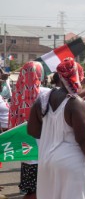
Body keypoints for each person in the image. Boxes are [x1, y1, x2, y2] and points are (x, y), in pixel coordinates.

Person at [27, 58, 85, 199]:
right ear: (79, 76)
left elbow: (33, 131)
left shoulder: (42, 100)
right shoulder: (76, 104)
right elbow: (84, 140)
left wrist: (52, 131)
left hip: (48, 162)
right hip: (73, 164)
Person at [7, 61, 50, 199]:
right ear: (39, 74)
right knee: (41, 191)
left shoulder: (17, 94)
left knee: (31, 191)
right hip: (42, 151)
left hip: (26, 150)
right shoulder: (45, 94)